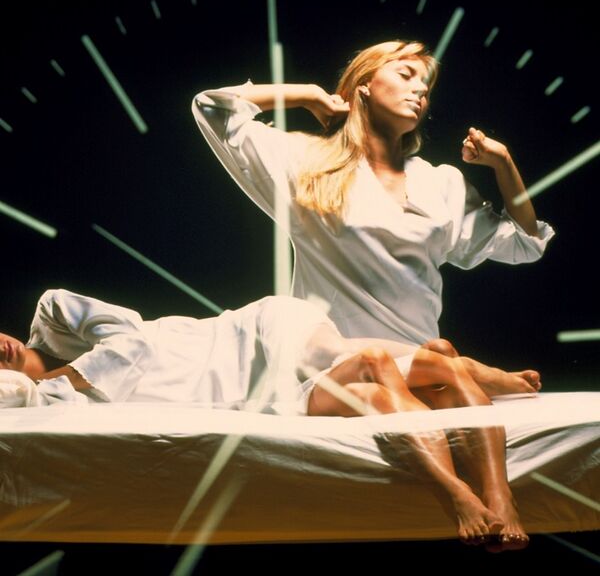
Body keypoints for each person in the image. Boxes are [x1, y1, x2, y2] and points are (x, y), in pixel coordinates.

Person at [1, 288, 533, 551]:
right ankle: (460, 373)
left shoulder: (55, 316)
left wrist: (59, 377)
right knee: (392, 374)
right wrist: (38, 389)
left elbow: (129, 342)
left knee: (349, 355)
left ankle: (493, 487)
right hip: (265, 396)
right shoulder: (51, 404)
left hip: (253, 338)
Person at [191, 40, 555, 345]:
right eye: (405, 75)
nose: (420, 89)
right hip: (335, 373)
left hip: (422, 369)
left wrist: (503, 163)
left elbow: (523, 243)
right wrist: (309, 95)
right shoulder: (308, 165)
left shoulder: (441, 183)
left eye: (426, 86)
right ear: (364, 84)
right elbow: (212, 108)